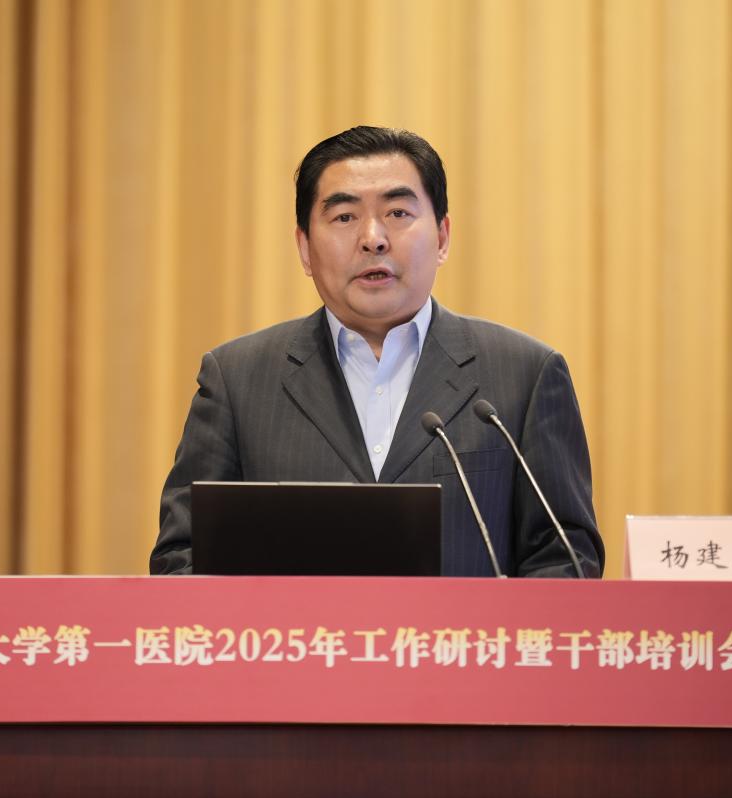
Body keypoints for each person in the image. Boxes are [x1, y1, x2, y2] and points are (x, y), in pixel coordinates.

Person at [150, 126, 603, 577]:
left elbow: (565, 562)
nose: (373, 238)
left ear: (443, 236)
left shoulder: (525, 375)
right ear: (304, 248)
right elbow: (182, 560)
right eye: (344, 217)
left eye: (398, 213)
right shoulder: (237, 381)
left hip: (463, 630)